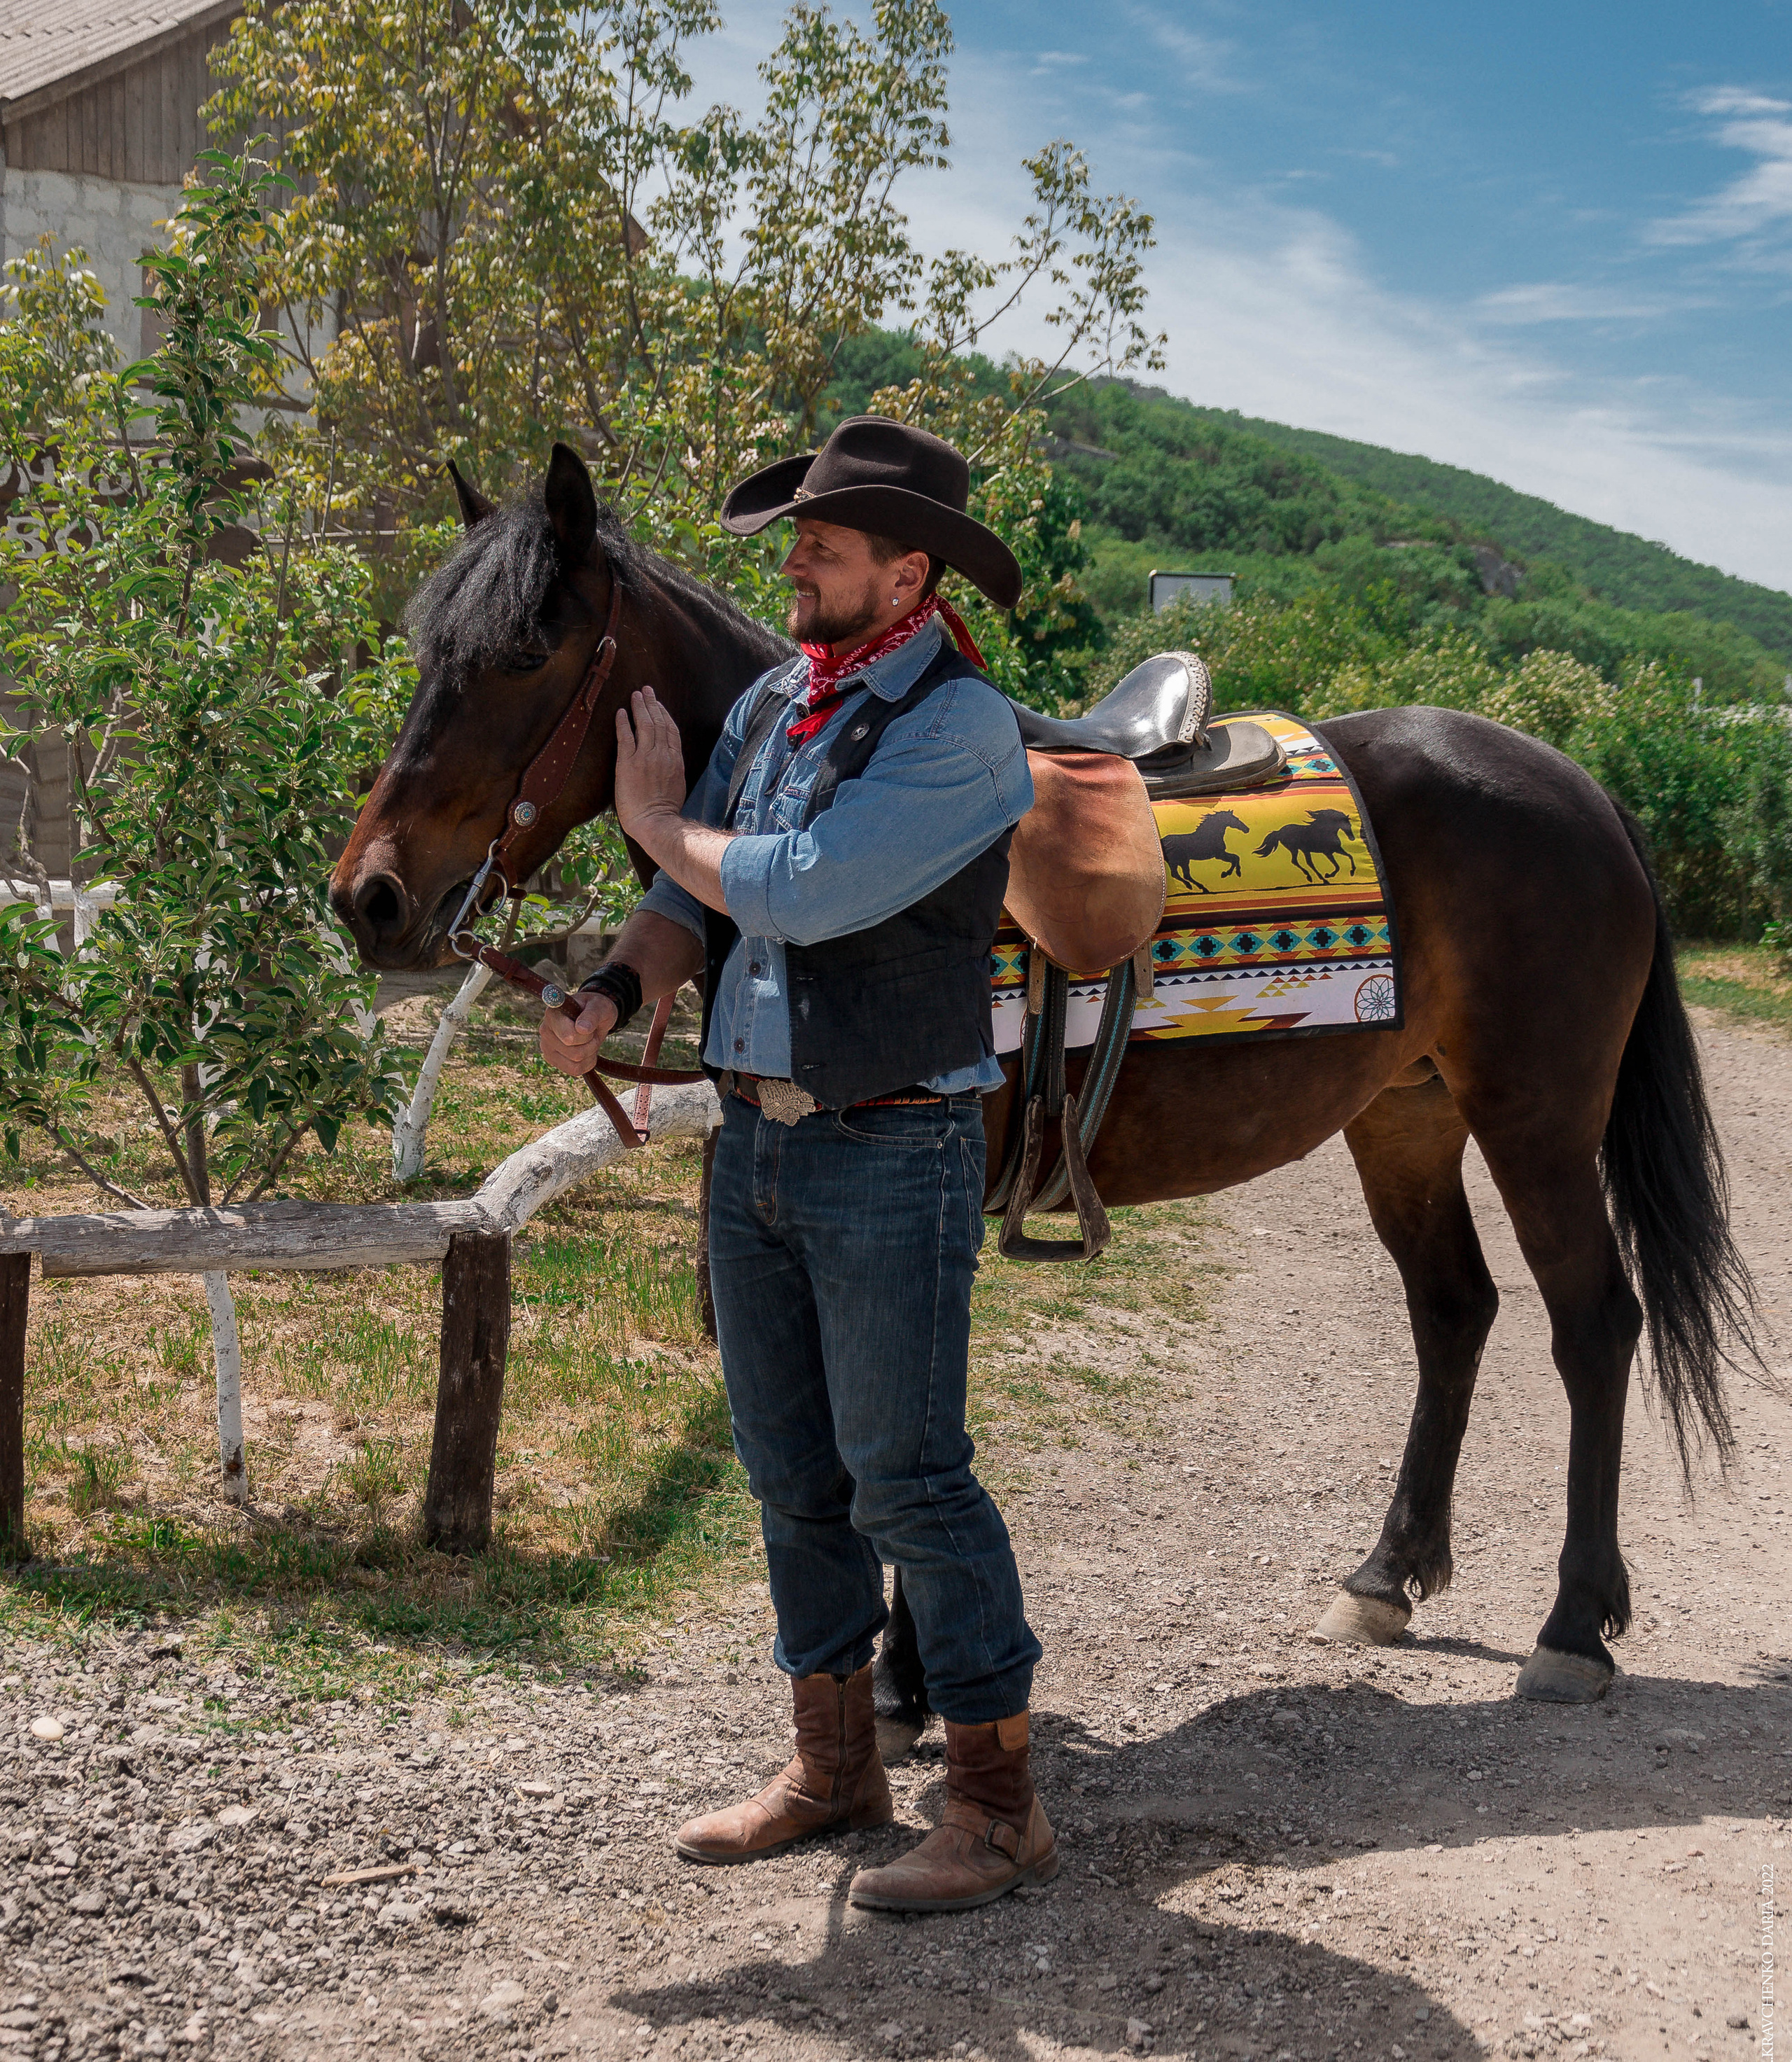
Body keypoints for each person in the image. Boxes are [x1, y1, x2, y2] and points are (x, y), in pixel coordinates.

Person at [538, 416, 1055, 1914]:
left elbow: (805, 895)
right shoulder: (775, 703)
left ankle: (999, 1803)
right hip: (754, 1147)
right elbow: (687, 903)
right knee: (788, 1477)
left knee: (908, 1479)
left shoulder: (962, 727)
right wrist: (614, 993)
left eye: (826, 542)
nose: (798, 560)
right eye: (798, 539)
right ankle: (833, 1768)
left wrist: (652, 814)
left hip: (892, 1151)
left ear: (910, 571)